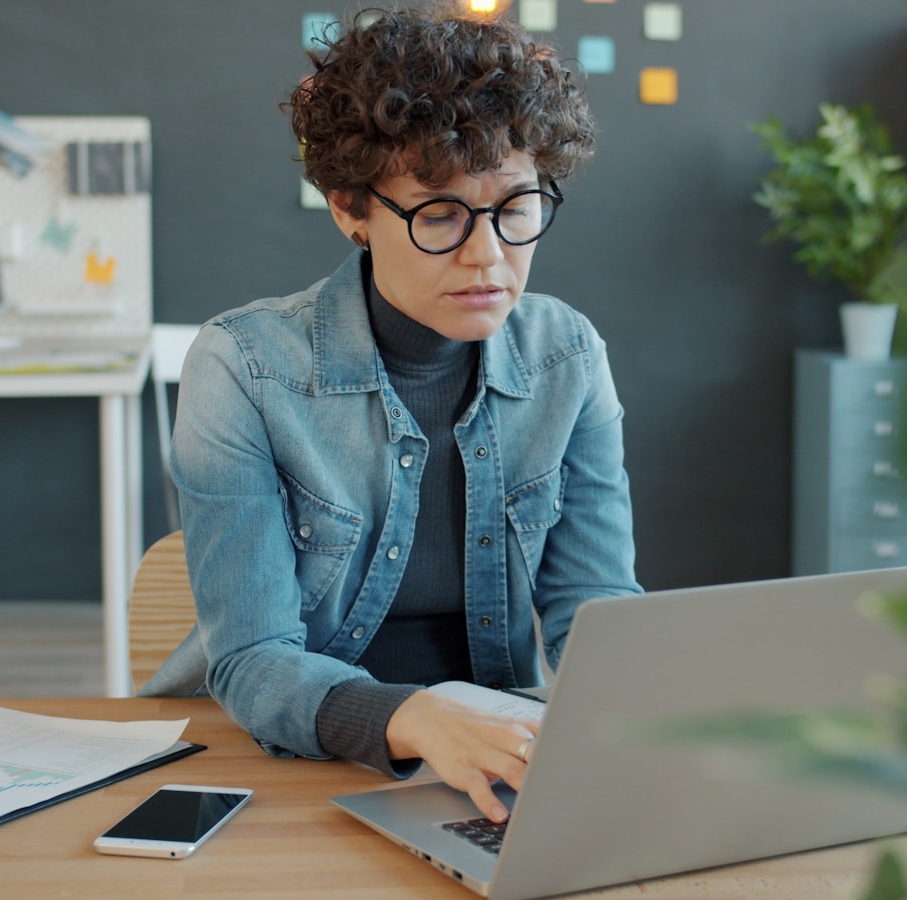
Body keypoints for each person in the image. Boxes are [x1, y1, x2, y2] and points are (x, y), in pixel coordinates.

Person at [143, 3, 639, 823]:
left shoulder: (568, 356)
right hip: (286, 758)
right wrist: (415, 716)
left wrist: (636, 718)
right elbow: (255, 660)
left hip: (489, 758)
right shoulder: (245, 366)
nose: (488, 257)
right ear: (350, 209)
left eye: (516, 208)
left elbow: (597, 605)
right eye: (440, 214)